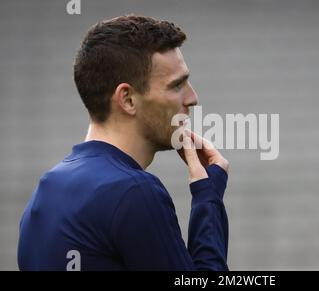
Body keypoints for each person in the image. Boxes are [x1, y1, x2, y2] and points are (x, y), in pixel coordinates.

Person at [17, 15, 229, 271]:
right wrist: (208, 199)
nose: (192, 98)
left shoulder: (46, 191)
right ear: (127, 99)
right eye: (177, 85)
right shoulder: (134, 191)